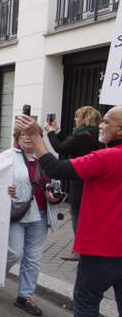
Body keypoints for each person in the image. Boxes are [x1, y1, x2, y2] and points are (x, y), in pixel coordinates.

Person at [16, 108, 122, 317]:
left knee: (86, 300)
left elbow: (56, 169)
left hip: (102, 247)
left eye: (106, 122)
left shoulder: (107, 157)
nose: (101, 126)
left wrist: (36, 136)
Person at [0, 124, 61, 314]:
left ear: (38, 137)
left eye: (31, 135)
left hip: (41, 214)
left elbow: (56, 183)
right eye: (23, 135)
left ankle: (25, 295)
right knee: (15, 252)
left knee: (33, 258)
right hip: (17, 212)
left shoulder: (47, 158)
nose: (27, 138)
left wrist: (54, 196)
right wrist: (5, 190)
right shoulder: (6, 157)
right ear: (17, 137)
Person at [44, 106, 103, 260]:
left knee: (77, 213)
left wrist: (50, 132)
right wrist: (57, 132)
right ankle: (90, 247)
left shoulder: (83, 136)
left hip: (81, 180)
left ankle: (80, 250)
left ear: (84, 119)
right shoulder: (97, 134)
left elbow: (60, 148)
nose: (75, 120)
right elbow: (69, 144)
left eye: (77, 117)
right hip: (94, 180)